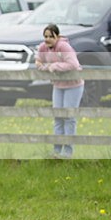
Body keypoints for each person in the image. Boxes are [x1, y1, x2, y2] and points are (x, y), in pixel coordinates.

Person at [35, 24, 84, 158]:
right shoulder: (43, 47)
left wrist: (54, 66)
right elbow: (39, 62)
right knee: (58, 117)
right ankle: (56, 151)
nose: (48, 39)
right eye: (45, 36)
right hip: (58, 85)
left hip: (73, 85)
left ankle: (67, 152)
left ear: (57, 36)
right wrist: (46, 67)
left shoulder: (64, 47)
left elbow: (73, 64)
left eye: (51, 36)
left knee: (69, 117)